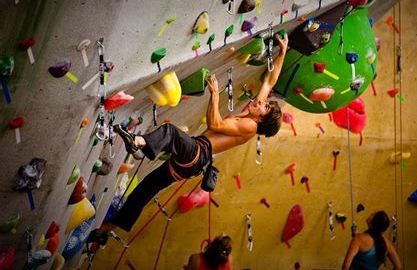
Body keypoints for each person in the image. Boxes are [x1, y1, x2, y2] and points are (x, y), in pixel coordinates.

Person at [88, 33, 288, 243]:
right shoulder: (252, 114)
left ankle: (137, 142)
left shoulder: (249, 125)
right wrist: (282, 51)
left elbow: (215, 125)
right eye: (265, 103)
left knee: (171, 133)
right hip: (192, 162)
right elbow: (268, 82)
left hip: (198, 154)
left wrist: (216, 94)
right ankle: (106, 230)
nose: (261, 102)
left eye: (264, 107)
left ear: (262, 119)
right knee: (146, 187)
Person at [307, 211, 402, 270]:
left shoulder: (359, 239)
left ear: (374, 222)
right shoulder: (386, 243)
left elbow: (346, 266)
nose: (370, 214)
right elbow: (398, 267)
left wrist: (356, 238)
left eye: (373, 215)